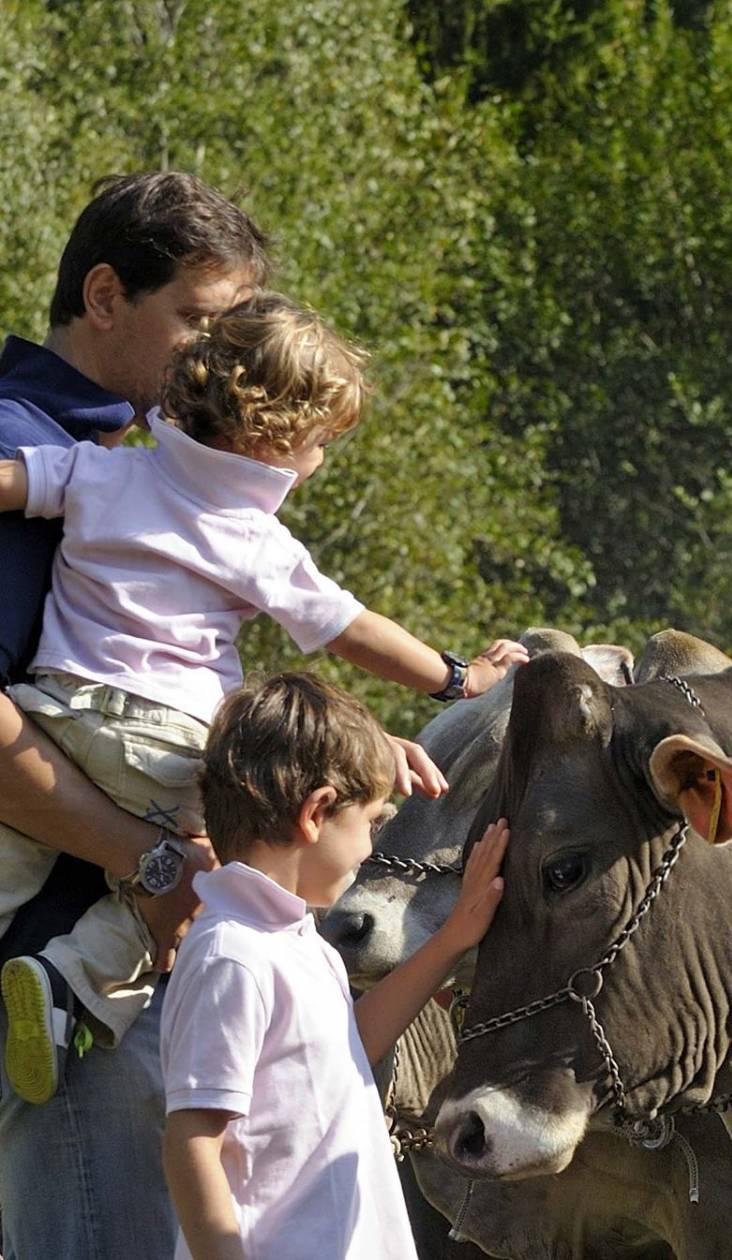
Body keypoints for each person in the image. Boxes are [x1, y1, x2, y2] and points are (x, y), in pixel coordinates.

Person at [0, 289, 528, 1109]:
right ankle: (66, 983)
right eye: (318, 445)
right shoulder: (254, 539)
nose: (318, 463)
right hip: (172, 747)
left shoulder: (104, 468)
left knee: (13, 846)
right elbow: (354, 631)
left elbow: (10, 481)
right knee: (203, 873)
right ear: (272, 442)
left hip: (56, 713)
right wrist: (460, 677)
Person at [0, 171, 268, 1260]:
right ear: (104, 295)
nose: (220, 362)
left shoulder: (131, 460)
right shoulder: (22, 452)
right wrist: (157, 868)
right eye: (198, 323)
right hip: (50, 979)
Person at [162, 672, 508, 1260]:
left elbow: (353, 1045)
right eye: (373, 823)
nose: (373, 847)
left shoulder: (296, 940)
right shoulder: (233, 956)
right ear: (317, 812)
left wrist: (453, 938)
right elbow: (192, 1143)